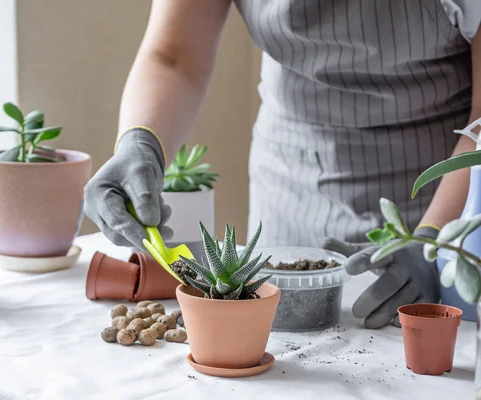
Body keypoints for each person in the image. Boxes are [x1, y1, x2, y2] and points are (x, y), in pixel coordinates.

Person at [84, 1, 481, 329]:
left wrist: (432, 242)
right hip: (288, 189)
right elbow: (174, 58)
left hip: (439, 202)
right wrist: (140, 143)